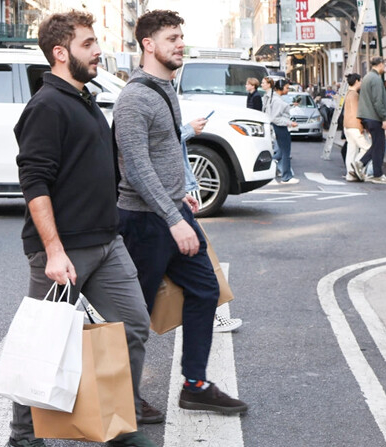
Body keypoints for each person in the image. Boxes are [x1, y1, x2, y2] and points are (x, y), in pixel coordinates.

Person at [11, 11, 158, 447]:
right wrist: (53, 251)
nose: (98, 51)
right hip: (64, 251)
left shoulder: (84, 97)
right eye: (89, 44)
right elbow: (34, 182)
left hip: (107, 242)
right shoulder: (46, 106)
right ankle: (22, 438)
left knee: (132, 325)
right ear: (61, 53)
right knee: (44, 344)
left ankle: (118, 424)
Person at [114, 9, 247, 416]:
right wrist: (173, 219)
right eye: (172, 38)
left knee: (206, 290)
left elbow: (166, 151)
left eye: (181, 37)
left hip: (172, 211)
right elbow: (135, 168)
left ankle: (194, 385)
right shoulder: (134, 97)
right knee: (135, 313)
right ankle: (121, 396)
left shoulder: (165, 88)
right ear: (148, 45)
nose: (180, 44)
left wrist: (182, 195)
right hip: (144, 221)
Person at [179, 121, 243, 333]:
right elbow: (160, 145)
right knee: (195, 258)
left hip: (172, 195)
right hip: (164, 201)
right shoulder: (142, 96)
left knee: (194, 260)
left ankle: (210, 315)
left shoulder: (159, 94)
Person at [351, 56, 386, 184]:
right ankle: (373, 171)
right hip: (374, 117)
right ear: (380, 64)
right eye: (384, 65)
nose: (385, 67)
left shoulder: (367, 77)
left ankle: (366, 167)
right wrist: (384, 118)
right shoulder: (376, 79)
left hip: (368, 116)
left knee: (378, 145)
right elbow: (378, 101)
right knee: (379, 145)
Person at [262, 77, 299, 184]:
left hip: (278, 127)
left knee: (281, 152)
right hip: (280, 128)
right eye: (286, 88)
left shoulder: (274, 98)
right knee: (285, 153)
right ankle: (286, 177)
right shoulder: (277, 100)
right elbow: (275, 118)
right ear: (281, 88)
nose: (288, 90)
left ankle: (282, 174)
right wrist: (290, 123)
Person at [342, 73, 371, 182]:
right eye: (361, 81)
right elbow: (357, 112)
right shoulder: (355, 95)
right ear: (357, 81)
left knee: (351, 150)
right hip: (355, 126)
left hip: (347, 126)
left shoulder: (348, 93)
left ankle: (350, 174)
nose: (362, 83)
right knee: (367, 148)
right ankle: (357, 166)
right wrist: (361, 126)